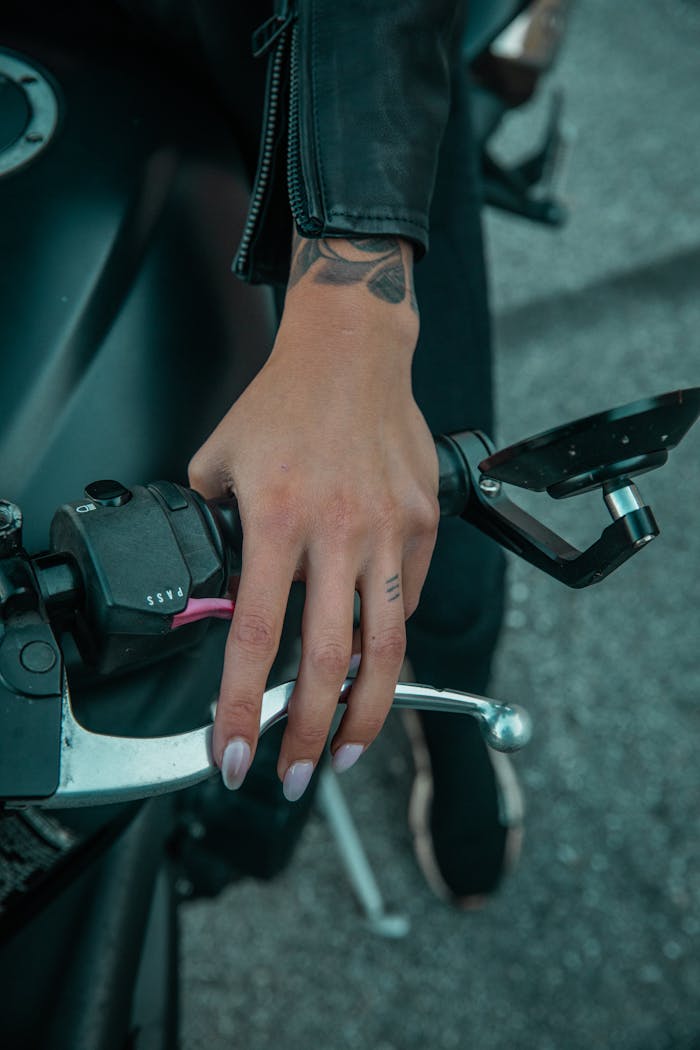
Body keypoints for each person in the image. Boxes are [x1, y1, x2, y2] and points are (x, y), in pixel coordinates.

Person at [124, 0, 522, 906]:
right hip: (71, 63)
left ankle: (455, 713)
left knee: (437, 522)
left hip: (340, 71)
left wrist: (355, 297)